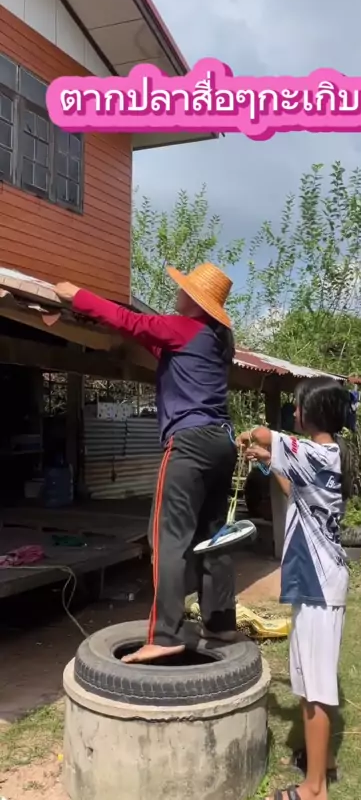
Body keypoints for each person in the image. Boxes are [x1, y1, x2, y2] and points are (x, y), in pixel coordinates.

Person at [55, 263, 238, 663]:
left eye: (183, 290)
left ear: (196, 302)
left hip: (189, 443)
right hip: (221, 443)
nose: (177, 294)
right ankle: (220, 621)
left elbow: (131, 321)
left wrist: (77, 295)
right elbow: (155, 343)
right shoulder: (214, 339)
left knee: (168, 538)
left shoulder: (183, 327)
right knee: (213, 534)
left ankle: (166, 633)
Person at [237, 378, 353, 800]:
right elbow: (294, 488)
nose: (295, 413)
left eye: (299, 407)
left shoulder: (320, 452)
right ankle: (323, 761)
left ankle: (315, 789)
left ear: (314, 413)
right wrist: (268, 461)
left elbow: (265, 434)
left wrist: (250, 436)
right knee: (309, 680)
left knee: (316, 688)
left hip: (319, 583)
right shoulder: (323, 456)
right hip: (313, 581)